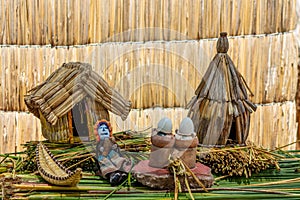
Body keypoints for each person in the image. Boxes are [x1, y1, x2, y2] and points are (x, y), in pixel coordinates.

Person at [94, 119, 131, 186]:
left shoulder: (112, 140)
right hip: (104, 158)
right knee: (107, 165)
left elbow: (117, 148)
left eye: (105, 128)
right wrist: (102, 150)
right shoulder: (99, 144)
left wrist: (115, 147)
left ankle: (122, 173)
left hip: (113, 155)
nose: (103, 130)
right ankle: (112, 175)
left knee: (119, 160)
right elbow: (98, 152)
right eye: (101, 129)